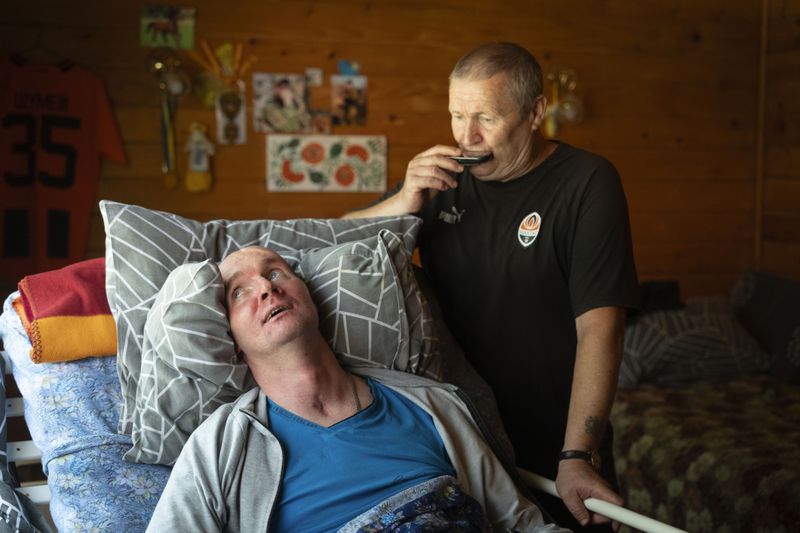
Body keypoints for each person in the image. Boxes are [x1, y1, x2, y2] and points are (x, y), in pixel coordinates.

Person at [344, 42, 639, 531]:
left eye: (486, 118)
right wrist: (402, 201)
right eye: (457, 116)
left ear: (535, 112)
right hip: (458, 432)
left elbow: (601, 327)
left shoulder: (588, 181)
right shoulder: (443, 180)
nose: (468, 137)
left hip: (555, 435)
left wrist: (577, 453)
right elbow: (335, 241)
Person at [147, 246, 571, 532]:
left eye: (276, 272)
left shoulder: (433, 405)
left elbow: (522, 524)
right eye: (239, 291)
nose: (267, 287)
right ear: (232, 343)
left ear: (309, 298)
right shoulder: (219, 446)